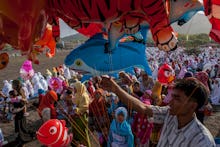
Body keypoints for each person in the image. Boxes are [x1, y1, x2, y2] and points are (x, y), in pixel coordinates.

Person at [101, 77, 216, 147]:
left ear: (192, 106)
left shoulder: (202, 140)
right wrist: (116, 89)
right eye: (172, 97)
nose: (170, 102)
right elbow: (143, 108)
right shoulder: (169, 114)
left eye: (177, 98)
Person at [72, 81, 90, 147]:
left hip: (82, 117)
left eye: (75, 88)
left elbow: (85, 107)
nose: (74, 89)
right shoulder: (77, 94)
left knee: (82, 133)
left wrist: (76, 110)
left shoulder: (84, 96)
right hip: (76, 117)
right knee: (77, 133)